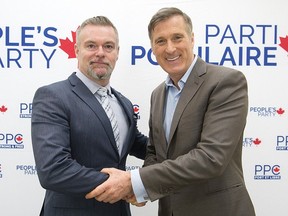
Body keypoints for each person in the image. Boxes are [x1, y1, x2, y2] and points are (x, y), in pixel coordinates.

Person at [85, 7, 256, 216]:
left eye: (177, 37)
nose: (170, 48)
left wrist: (135, 181)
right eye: (161, 41)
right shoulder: (158, 94)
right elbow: (155, 152)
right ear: (152, 48)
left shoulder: (226, 82)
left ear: (192, 39)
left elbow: (211, 158)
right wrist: (140, 191)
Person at [31, 16, 148, 216]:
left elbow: (139, 145)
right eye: (91, 45)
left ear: (117, 53)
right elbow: (53, 170)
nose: (100, 53)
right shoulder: (53, 96)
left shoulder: (125, 103)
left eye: (108, 46)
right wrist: (127, 186)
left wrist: (184, 151)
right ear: (77, 50)